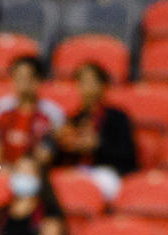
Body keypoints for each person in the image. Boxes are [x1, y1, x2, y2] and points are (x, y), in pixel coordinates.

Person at [55, 62, 137, 200]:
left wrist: (98, 145)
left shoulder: (117, 117)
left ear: (103, 86)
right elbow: (61, 158)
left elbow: (128, 155)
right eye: (82, 82)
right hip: (77, 171)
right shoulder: (72, 119)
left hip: (107, 172)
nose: (87, 87)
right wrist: (62, 144)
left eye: (92, 81)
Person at [0, 56, 65, 166]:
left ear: (37, 80)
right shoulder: (0, 109)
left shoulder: (52, 113)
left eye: (26, 77)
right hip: (4, 169)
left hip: (39, 171)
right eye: (18, 77)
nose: (22, 83)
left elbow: (51, 150)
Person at [0, 155, 65, 235]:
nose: (22, 175)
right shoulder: (2, 212)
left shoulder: (47, 209)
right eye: (18, 170)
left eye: (28, 172)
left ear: (39, 177)